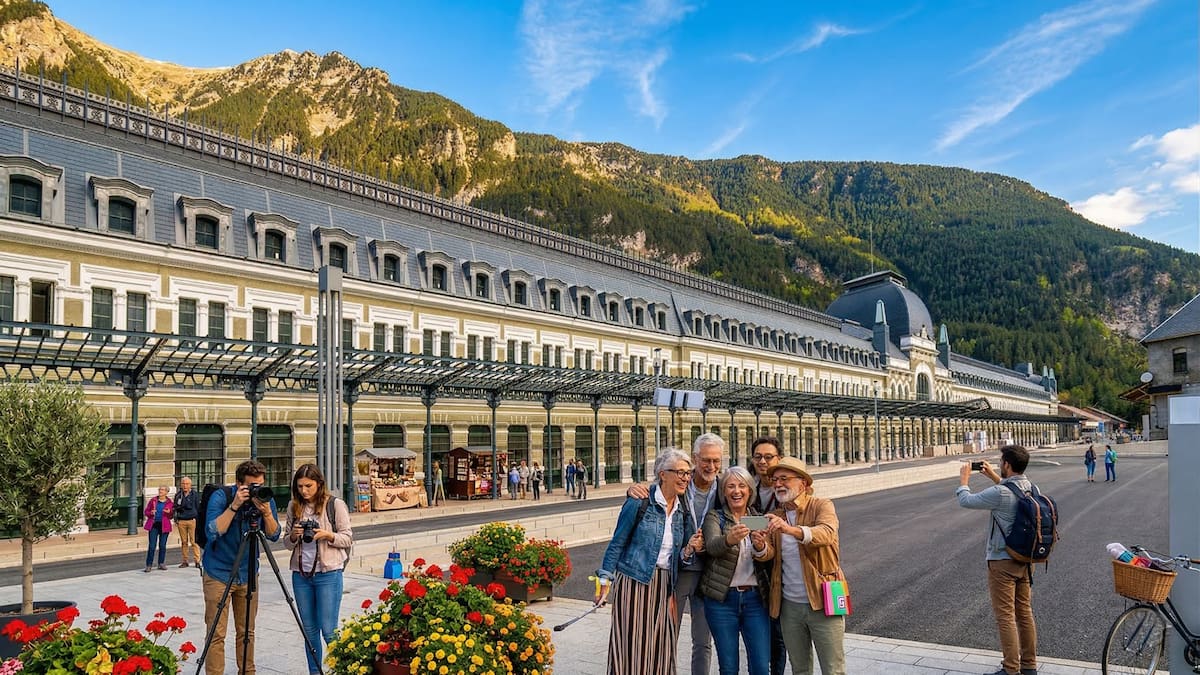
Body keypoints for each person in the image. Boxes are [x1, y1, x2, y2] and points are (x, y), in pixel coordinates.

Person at [596, 448, 705, 675]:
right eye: (681, 473)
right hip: (634, 583)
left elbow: (681, 556)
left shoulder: (682, 508)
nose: (685, 478)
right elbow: (617, 542)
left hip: (665, 584)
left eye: (688, 473)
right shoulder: (640, 502)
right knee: (631, 644)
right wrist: (604, 579)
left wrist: (689, 550)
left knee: (661, 646)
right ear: (663, 474)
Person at [628, 433, 724, 674]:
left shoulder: (725, 488)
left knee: (703, 641)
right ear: (694, 459)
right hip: (679, 570)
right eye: (705, 460)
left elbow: (747, 506)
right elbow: (656, 492)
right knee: (668, 633)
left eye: (716, 461)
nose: (710, 466)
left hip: (710, 573)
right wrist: (633, 489)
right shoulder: (681, 482)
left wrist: (764, 525)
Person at [956, 445, 1039, 675]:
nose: (1000, 464)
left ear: (1007, 465)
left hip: (1002, 562)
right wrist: (993, 476)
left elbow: (966, 501)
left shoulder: (1000, 493)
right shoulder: (1031, 486)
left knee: (1005, 615)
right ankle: (1029, 665)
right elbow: (1009, 494)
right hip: (1025, 560)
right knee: (1024, 612)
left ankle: (1011, 668)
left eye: (1001, 461)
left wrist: (964, 480)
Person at [764, 456, 846, 675]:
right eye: (774, 480)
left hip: (823, 600)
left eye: (784, 479)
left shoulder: (822, 505)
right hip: (789, 606)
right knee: (799, 669)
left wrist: (790, 530)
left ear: (804, 483)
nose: (778, 484)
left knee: (833, 669)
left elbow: (826, 533)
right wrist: (759, 545)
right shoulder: (777, 515)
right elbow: (769, 554)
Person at [201, 459, 281, 675]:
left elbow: (274, 534)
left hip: (248, 573)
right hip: (218, 573)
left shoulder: (264, 499)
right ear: (239, 484)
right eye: (252, 486)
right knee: (216, 633)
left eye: (260, 484)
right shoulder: (222, 496)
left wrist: (266, 512)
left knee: (247, 631)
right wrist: (235, 505)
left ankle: (247, 672)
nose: (257, 490)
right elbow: (212, 532)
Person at [701, 466, 775, 675]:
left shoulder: (757, 518)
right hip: (722, 601)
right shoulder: (716, 517)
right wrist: (729, 539)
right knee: (729, 666)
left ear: (750, 490)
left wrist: (760, 547)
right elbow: (713, 546)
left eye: (742, 486)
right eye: (730, 486)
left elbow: (768, 554)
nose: (736, 491)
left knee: (761, 666)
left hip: (755, 600)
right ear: (724, 492)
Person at [284, 463, 354, 675]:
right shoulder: (293, 506)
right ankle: (315, 672)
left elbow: (348, 537)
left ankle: (341, 669)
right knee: (309, 631)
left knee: (328, 630)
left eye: (308, 486)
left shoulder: (335, 505)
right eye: (300, 487)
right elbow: (286, 543)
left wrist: (327, 535)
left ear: (319, 484)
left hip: (328, 574)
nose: (303, 491)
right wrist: (294, 536)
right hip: (301, 575)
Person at [749, 436, 788, 675]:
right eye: (758, 457)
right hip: (751, 564)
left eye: (768, 457)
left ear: (778, 459)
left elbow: (789, 519)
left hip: (779, 566)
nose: (763, 461)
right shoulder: (746, 485)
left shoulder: (785, 486)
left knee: (778, 632)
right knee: (757, 629)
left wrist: (752, 523)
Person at [143, 486, 174, 572]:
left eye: (162, 490)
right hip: (154, 525)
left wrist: (169, 512)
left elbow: (171, 515)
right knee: (152, 546)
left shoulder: (169, 502)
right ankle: (149, 565)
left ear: (166, 492)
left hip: (164, 526)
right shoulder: (153, 500)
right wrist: (151, 512)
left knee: (162, 545)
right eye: (160, 489)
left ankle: (161, 563)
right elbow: (146, 512)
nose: (160, 491)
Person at [174, 476, 200, 569]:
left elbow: (198, 507)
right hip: (182, 521)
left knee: (194, 541)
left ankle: (197, 560)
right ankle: (185, 561)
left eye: (187, 484)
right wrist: (176, 519)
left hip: (192, 520)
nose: (185, 486)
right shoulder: (178, 495)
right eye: (183, 484)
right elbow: (176, 507)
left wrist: (198, 519)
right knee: (184, 542)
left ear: (190, 485)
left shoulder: (195, 495)